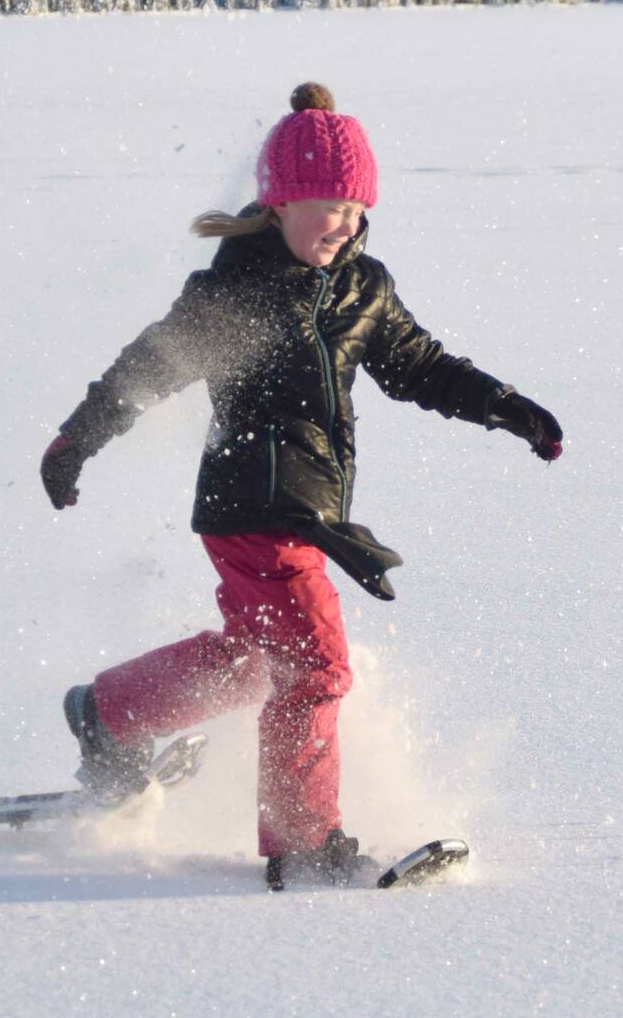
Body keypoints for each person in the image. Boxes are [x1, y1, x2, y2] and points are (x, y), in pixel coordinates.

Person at [39, 81, 563, 891]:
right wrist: (78, 438)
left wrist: (504, 406)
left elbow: (420, 366)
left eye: (355, 205)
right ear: (277, 201)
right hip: (253, 507)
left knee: (261, 660)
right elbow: (148, 367)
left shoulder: (363, 286)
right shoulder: (235, 292)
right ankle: (304, 841)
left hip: (308, 512)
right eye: (324, 203)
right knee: (314, 665)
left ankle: (109, 715)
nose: (341, 222)